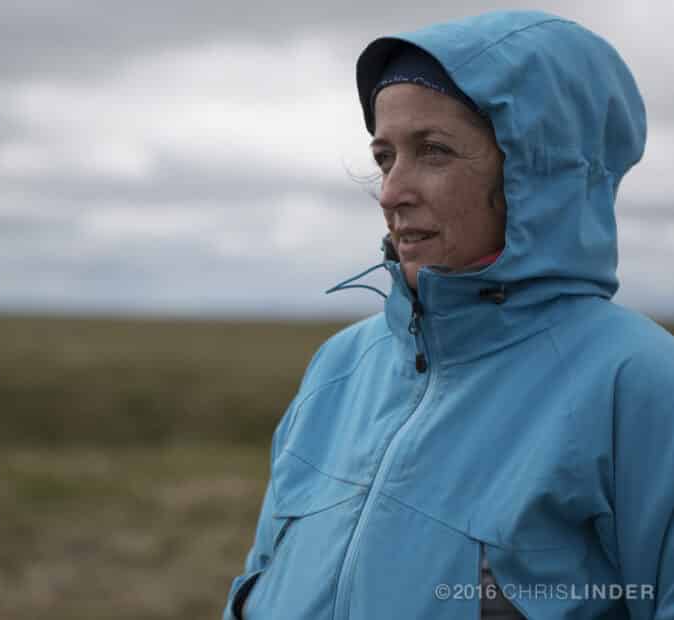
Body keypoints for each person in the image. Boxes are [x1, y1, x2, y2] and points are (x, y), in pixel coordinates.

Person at [223, 10, 674, 620]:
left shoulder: (641, 382)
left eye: (433, 151)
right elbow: (259, 579)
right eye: (385, 157)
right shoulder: (341, 366)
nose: (391, 192)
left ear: (540, 171)